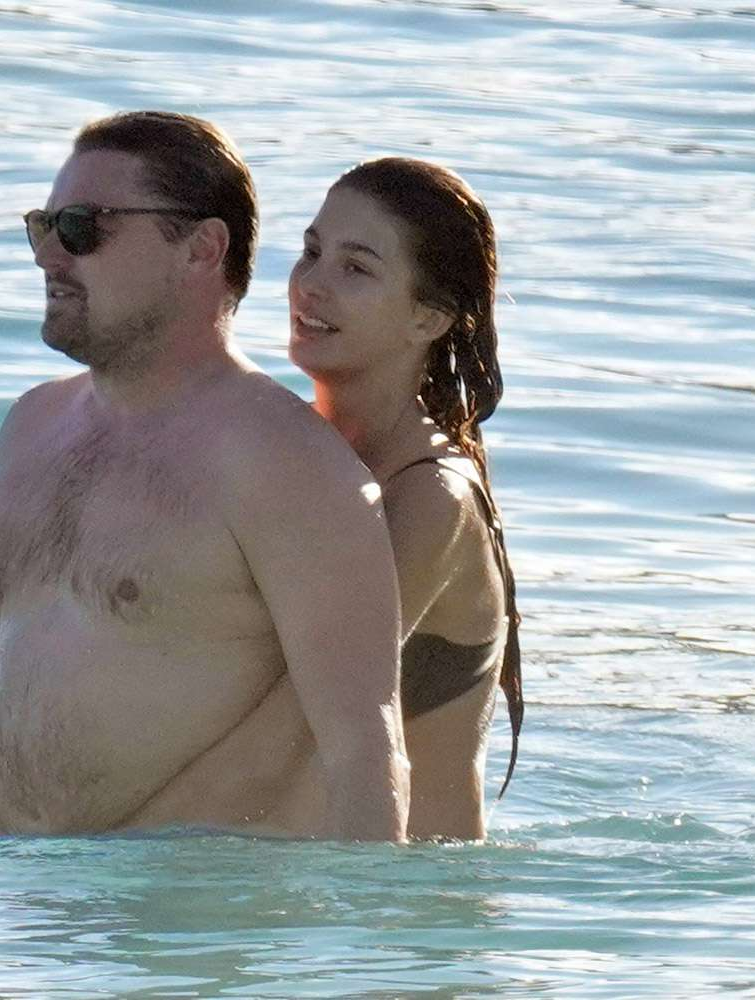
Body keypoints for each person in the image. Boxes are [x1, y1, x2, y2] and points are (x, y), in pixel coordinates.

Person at [0, 112, 411, 843]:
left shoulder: (285, 464)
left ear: (201, 248)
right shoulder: (31, 430)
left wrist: (372, 918)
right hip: (20, 896)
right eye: (43, 227)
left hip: (183, 907)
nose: (50, 255)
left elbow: (363, 748)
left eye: (84, 228)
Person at [129, 157, 522, 841]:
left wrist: (103, 851)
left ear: (428, 318)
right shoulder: (291, 461)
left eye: (356, 268)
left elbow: (288, 735)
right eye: (311, 252)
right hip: (285, 880)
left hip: (406, 897)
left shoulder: (432, 499)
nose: (311, 285)